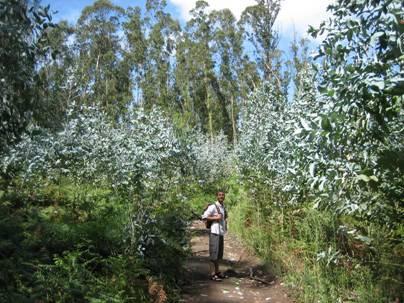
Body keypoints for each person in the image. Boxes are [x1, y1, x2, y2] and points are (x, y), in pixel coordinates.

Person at [202, 191, 227, 281]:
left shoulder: (223, 207)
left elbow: (224, 219)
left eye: (223, 195)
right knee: (214, 254)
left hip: (220, 233)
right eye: (220, 195)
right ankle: (212, 274)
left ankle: (217, 272)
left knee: (219, 255)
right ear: (216, 196)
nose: (221, 196)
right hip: (214, 232)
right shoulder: (213, 206)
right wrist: (215, 218)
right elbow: (204, 216)